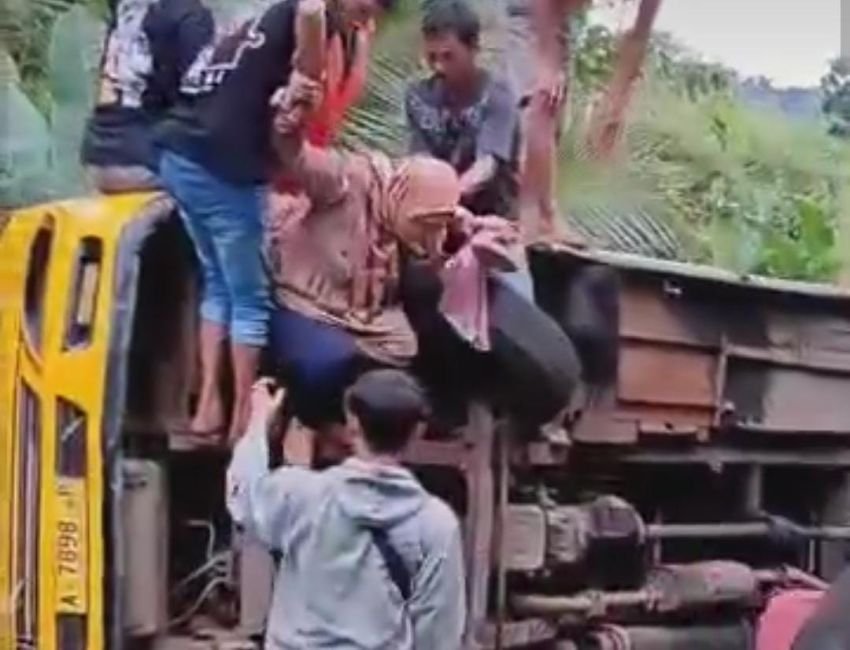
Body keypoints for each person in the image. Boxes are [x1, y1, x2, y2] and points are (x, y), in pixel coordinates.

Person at [156, 0, 395, 443]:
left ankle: (209, 405)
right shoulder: (308, 18)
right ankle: (244, 418)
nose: (365, 22)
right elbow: (309, 24)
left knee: (218, 283)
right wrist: (302, 84)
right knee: (250, 299)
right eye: (363, 9)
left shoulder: (270, 18)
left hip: (180, 152)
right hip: (226, 166)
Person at [264, 68, 520, 453]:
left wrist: (474, 236)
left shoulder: (412, 208)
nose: (427, 236)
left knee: (409, 354)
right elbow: (298, 158)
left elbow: (450, 228)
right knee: (327, 363)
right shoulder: (346, 181)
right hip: (309, 305)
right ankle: (326, 425)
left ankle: (377, 429)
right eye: (425, 225)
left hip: (369, 320)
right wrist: (289, 122)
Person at [226, 371, 466, 649]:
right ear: (417, 432)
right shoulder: (435, 524)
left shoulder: (303, 494)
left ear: (352, 424)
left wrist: (259, 421)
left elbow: (242, 497)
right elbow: (438, 634)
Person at [81, 0, 214, 193]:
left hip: (99, 155)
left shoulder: (127, 5)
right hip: (144, 161)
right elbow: (202, 104)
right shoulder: (190, 16)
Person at [405, 0, 520, 221]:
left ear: (473, 48)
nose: (439, 67)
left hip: (491, 216)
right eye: (432, 57)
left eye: (449, 57)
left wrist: (448, 197)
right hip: (433, 211)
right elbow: (419, 159)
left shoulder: (497, 94)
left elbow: (487, 165)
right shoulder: (418, 96)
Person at [501, 0, 587, 245]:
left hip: (557, 23)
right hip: (533, 18)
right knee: (541, 105)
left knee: (550, 115)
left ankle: (537, 214)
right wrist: (546, 63)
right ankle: (539, 216)